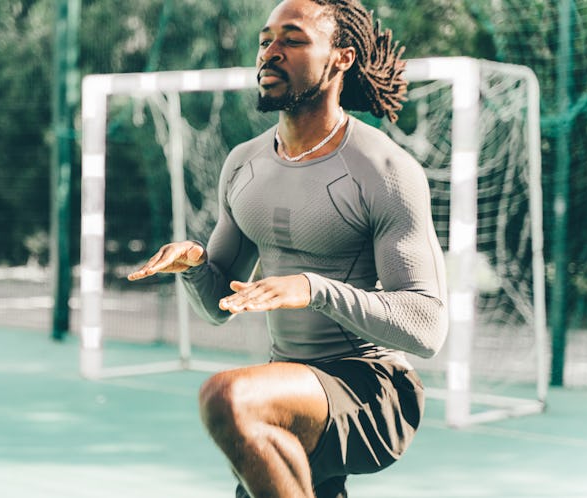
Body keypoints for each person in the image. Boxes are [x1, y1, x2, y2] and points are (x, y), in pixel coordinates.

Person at [128, 0, 448, 496]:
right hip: (288, 385)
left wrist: (314, 289)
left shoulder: (384, 169)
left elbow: (427, 326)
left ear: (341, 58)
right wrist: (194, 265)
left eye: (292, 40)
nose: (270, 53)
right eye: (265, 40)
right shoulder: (244, 164)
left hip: (371, 388)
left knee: (229, 397)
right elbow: (218, 306)